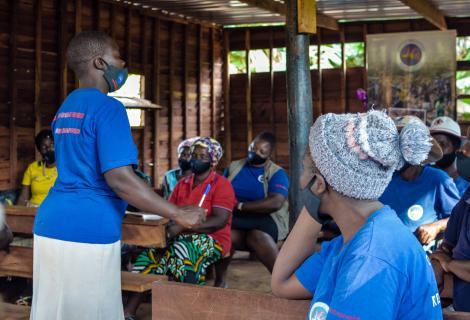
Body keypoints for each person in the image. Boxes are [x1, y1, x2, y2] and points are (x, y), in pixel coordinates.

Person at [30, 31, 205, 320]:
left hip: (51, 223)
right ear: (100, 62)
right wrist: (177, 212)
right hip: (89, 227)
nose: (123, 65)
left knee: (53, 313)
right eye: (118, 57)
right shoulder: (109, 108)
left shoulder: (66, 108)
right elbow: (119, 179)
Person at [271, 110, 442, 319]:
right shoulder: (352, 240)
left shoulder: (370, 258)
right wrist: (314, 202)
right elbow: (282, 283)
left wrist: (314, 194)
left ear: (318, 183)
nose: (299, 181)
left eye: (303, 170)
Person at [124, 137, 235, 319]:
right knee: (152, 255)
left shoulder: (221, 185)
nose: (195, 159)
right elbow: (169, 213)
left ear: (213, 160)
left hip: (214, 240)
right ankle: (128, 312)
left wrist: (182, 228)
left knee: (183, 250)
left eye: (202, 156)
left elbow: (219, 221)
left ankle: (189, 311)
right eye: (193, 155)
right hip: (179, 237)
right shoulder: (182, 184)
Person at [217, 132, 289, 287]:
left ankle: (282, 280)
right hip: (236, 217)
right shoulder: (235, 167)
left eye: (262, 152)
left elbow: (275, 202)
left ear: (269, 154)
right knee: (227, 235)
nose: (255, 153)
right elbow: (221, 190)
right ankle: (220, 279)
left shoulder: (276, 173)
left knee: (257, 236)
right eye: (253, 148)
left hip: (266, 218)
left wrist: (241, 206)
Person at [380, 116, 460, 251]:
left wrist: (436, 226)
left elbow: (459, 218)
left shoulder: (438, 180)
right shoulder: (383, 179)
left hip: (424, 261)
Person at [431, 133, 470, 312]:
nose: (463, 149)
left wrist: (449, 264)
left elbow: (448, 259)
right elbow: (447, 246)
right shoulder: (467, 198)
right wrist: (438, 263)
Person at [17, 130, 57, 207]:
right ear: (39, 150)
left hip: (54, 210)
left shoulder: (64, 168)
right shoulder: (32, 168)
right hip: (33, 209)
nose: (49, 149)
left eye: (52, 145)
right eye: (44, 147)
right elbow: (23, 197)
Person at [430, 116, 468, 197]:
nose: (437, 150)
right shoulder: (423, 175)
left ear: (456, 146)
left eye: (442, 144)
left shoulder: (466, 183)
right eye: (433, 145)